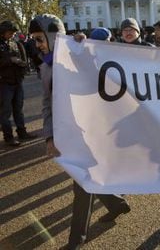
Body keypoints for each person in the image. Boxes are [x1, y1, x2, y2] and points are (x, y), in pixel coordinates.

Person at [29, 15, 130, 250]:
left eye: (38, 39)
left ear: (53, 35)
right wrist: (49, 136)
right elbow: (47, 104)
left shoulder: (80, 56)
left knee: (82, 182)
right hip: (67, 134)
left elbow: (103, 79)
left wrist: (85, 49)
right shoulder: (45, 67)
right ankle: (116, 205)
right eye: (34, 40)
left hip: (92, 132)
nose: (36, 44)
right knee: (85, 177)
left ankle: (76, 240)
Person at [0, 20, 37, 146]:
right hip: (4, 83)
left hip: (17, 81)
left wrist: (22, 64)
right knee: (5, 111)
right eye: (9, 32)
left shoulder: (14, 43)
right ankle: (8, 137)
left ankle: (22, 132)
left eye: (13, 33)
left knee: (18, 109)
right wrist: (10, 60)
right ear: (3, 32)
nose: (12, 35)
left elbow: (21, 57)